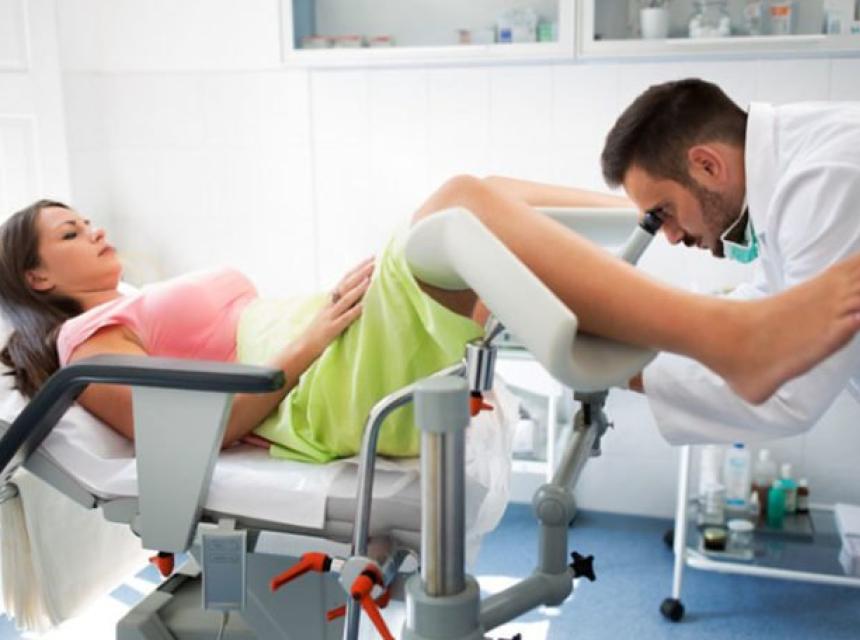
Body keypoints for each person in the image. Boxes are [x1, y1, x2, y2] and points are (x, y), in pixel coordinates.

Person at [2, 180, 860, 462]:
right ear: (37, 277)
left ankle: (666, 222)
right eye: (70, 234)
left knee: (473, 209)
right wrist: (309, 341)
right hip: (312, 393)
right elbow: (192, 431)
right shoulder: (83, 345)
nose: (94, 230)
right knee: (455, 210)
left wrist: (321, 314)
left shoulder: (135, 301)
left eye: (86, 219)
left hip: (328, 348)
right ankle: (721, 327)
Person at [600, 77, 860, 444]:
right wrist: (656, 333)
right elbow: (771, 304)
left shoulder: (824, 181)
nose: (670, 236)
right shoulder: (788, 159)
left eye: (665, 211)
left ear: (707, 165)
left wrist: (615, 367)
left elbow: (790, 390)